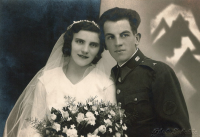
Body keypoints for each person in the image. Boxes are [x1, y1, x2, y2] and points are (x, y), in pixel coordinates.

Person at [3, 20, 116, 137]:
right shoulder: (47, 80)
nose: (85, 50)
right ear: (69, 43)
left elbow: (110, 131)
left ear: (99, 49)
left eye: (93, 45)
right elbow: (34, 127)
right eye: (79, 41)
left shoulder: (105, 85)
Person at [99, 7, 191, 137]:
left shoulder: (158, 72)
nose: (118, 43)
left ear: (137, 38)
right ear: (105, 44)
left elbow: (180, 131)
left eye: (124, 35)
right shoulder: (112, 76)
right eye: (110, 37)